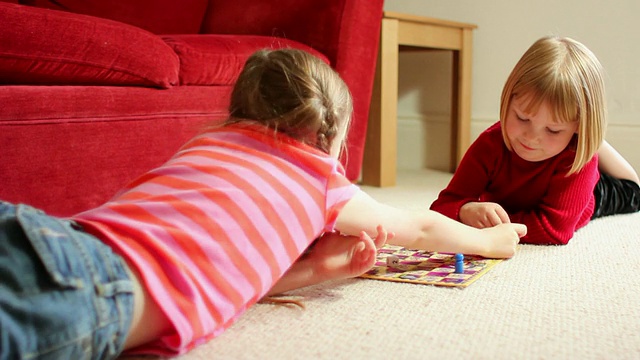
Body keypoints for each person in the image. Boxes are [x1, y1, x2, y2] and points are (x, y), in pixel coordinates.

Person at [0, 48, 526, 360]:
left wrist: (316, 266)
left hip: (53, 233)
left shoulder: (205, 144)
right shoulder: (323, 180)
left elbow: (215, 271)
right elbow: (420, 227)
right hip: (84, 290)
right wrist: (487, 241)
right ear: (331, 137)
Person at [430, 35, 640, 246]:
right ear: (508, 99)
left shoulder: (575, 157)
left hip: (592, 193)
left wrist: (492, 227)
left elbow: (554, 230)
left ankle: (593, 140)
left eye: (553, 129)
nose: (531, 137)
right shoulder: (491, 144)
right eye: (522, 118)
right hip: (543, 178)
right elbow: (442, 207)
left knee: (634, 192)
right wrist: (464, 210)